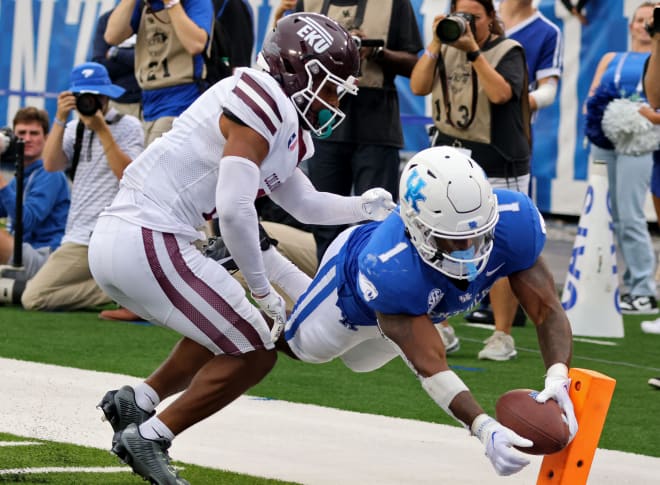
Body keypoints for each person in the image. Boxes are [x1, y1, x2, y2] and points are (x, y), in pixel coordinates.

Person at [88, 14, 394, 485]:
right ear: (301, 71)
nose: (335, 101)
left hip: (144, 237)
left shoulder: (280, 115)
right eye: (331, 87)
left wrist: (365, 206)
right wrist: (261, 289)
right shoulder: (263, 100)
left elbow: (305, 204)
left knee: (230, 329)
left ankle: (139, 401)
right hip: (148, 236)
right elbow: (232, 211)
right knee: (255, 351)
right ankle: (151, 436)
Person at [231, 146, 578, 476]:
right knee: (303, 347)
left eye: (479, 234)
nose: (468, 248)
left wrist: (558, 374)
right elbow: (430, 365)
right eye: (452, 239)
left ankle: (270, 263)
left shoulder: (512, 221)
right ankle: (242, 276)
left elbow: (547, 309)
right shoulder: (389, 267)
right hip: (352, 292)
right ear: (417, 228)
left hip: (409, 307)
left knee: (360, 362)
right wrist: (483, 427)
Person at [410, 0, 531, 362]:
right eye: (459, 17)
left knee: (504, 247)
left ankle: (502, 335)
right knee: (442, 243)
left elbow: (500, 94)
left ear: (490, 18)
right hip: (451, 158)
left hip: (498, 161)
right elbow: (417, 86)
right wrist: (435, 43)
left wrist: (474, 51)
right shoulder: (443, 47)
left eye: (474, 18)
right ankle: (443, 326)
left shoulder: (509, 50)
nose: (465, 24)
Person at [291, 0, 423, 262]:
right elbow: (291, 54)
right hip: (324, 126)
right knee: (325, 224)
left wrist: (374, 52)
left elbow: (413, 65)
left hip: (377, 128)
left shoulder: (395, 4)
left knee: (378, 221)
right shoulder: (308, 3)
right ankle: (328, 290)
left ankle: (375, 292)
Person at [473, 0, 563, 360]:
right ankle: (441, 323)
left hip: (508, 144)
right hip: (462, 137)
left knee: (506, 234)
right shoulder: (477, 16)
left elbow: (549, 89)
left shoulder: (546, 31)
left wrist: (514, 100)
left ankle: (503, 331)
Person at [20, 62, 144, 311]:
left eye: (96, 96)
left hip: (113, 236)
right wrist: (59, 118)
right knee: (33, 297)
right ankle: (115, 293)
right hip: (78, 237)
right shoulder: (72, 128)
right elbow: (51, 164)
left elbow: (127, 175)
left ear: (107, 96)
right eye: (84, 97)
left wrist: (102, 130)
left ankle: (123, 291)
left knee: (34, 297)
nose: (92, 103)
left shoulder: (128, 125)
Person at [584, 2, 660, 317]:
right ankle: (612, 284)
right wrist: (599, 116)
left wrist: (644, 117)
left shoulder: (656, 59)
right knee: (604, 215)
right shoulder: (612, 58)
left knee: (630, 215)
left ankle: (644, 289)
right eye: (639, 20)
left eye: (649, 21)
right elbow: (593, 93)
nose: (643, 25)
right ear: (630, 25)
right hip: (606, 139)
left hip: (639, 142)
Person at [104, 0, 213, 146]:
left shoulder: (196, 2)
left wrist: (171, 3)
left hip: (181, 99)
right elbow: (112, 36)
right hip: (148, 101)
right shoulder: (144, 5)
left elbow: (196, 44)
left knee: (151, 165)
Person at [0, 107, 70, 280]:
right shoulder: (22, 174)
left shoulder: (51, 173)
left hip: (46, 257)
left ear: (46, 138)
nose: (27, 139)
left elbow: (25, 222)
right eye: (22, 133)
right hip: (22, 253)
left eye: (34, 133)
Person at [91, 8, 142, 120]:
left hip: (153, 102)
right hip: (118, 102)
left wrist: (117, 53)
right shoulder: (106, 20)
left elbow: (156, 61)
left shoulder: (155, 17)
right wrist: (137, 60)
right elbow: (101, 66)